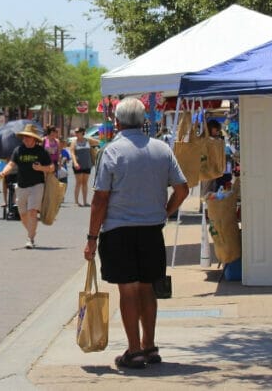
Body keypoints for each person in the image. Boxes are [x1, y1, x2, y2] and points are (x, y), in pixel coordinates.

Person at [84, 96, 188, 369]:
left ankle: (134, 350)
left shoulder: (112, 151)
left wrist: (92, 239)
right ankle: (150, 345)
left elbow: (100, 200)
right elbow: (182, 189)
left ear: (116, 121)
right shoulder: (161, 149)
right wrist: (165, 212)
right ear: (144, 121)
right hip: (152, 231)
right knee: (147, 289)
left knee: (128, 291)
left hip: (119, 231)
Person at [0, 123, 54, 249]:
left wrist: (41, 168)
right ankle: (32, 231)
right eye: (24, 137)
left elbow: (51, 168)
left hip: (37, 185)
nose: (25, 139)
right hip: (22, 185)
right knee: (22, 214)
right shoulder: (18, 150)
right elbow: (11, 164)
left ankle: (30, 238)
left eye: (28, 137)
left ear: (34, 138)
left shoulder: (41, 151)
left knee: (32, 212)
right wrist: (3, 172)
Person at [68, 126, 96, 206]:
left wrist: (87, 137)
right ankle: (76, 201)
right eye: (75, 132)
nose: (76, 134)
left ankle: (85, 201)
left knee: (85, 182)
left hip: (87, 164)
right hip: (78, 164)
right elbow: (72, 153)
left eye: (77, 132)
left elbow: (98, 142)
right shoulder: (74, 142)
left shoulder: (88, 141)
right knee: (78, 182)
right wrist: (75, 162)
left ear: (82, 133)